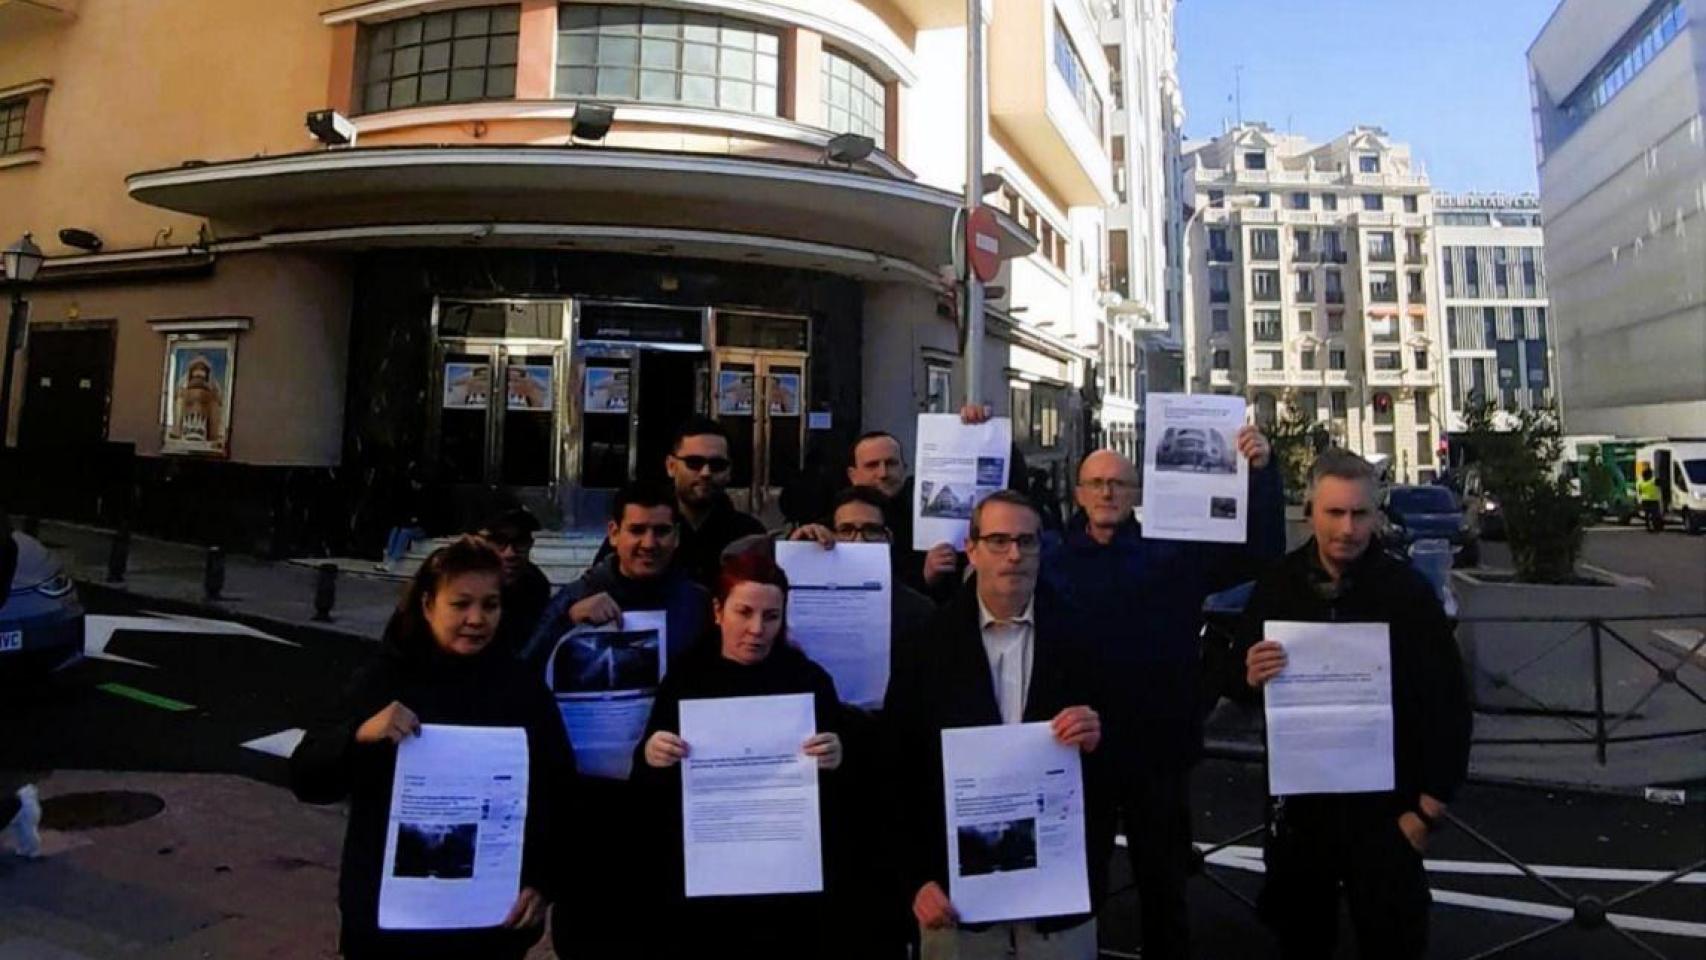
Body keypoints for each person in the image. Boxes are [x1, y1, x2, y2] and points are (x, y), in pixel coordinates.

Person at [1038, 432, 1283, 960]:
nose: (1107, 492)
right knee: (1077, 890)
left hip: (1158, 749)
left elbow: (1257, 553)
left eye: (1118, 483)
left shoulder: (1172, 554)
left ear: (1137, 493)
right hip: (1075, 751)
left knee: (1165, 888)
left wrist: (1262, 475)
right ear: (1078, 493)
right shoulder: (1047, 558)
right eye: (1096, 483)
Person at [289, 537, 577, 960]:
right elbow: (307, 777)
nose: (476, 619)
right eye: (460, 604)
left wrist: (543, 882)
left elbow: (559, 793)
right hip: (390, 927)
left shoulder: (521, 689)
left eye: (490, 605)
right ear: (428, 605)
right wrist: (359, 735)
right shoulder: (384, 679)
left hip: (489, 926)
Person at [1234, 449, 1472, 960]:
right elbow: (1232, 678)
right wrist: (1247, 674)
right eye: (1335, 512)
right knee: (1302, 943)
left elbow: (1448, 701)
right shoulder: (1278, 585)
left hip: (1388, 814)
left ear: (1376, 516)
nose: (1347, 528)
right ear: (1309, 513)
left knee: (1393, 943)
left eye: (1359, 513)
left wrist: (1427, 810)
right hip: (1301, 817)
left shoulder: (1406, 591)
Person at [886, 491, 1109, 960]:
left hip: (1057, 896)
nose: (1013, 554)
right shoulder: (925, 643)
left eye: (1026, 541)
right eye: (998, 540)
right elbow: (898, 769)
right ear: (971, 549)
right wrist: (914, 879)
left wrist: (1098, 734)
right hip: (958, 903)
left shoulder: (1086, 633)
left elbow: (1125, 755)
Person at [519, 481, 710, 959]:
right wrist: (568, 621)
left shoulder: (696, 601)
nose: (649, 543)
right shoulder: (578, 593)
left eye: (661, 531)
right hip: (591, 804)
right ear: (613, 532)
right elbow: (523, 674)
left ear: (677, 536)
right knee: (589, 931)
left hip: (669, 797)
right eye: (637, 530)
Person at [633, 549, 847, 959]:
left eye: (771, 616)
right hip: (704, 878)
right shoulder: (686, 678)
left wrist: (838, 756)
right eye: (744, 612)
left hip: (788, 881)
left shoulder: (808, 679)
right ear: (718, 612)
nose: (757, 629)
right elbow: (645, 787)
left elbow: (847, 791)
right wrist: (652, 755)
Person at [788, 485, 939, 958]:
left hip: (891, 772)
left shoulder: (919, 611)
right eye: (846, 530)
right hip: (821, 775)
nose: (857, 540)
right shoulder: (799, 595)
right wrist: (792, 551)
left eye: (870, 531)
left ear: (888, 538)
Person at [591, 416, 765, 589]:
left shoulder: (749, 535)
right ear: (671, 466)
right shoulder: (642, 528)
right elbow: (596, 586)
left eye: (717, 464)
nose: (706, 472)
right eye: (694, 463)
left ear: (729, 471)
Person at [478, 508, 552, 657]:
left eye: (520, 542)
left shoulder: (535, 585)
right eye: (498, 541)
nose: (510, 553)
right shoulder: (454, 582)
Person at [1637, 467, 1663, 533]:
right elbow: (1661, 483)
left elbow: (1640, 492)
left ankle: (1648, 527)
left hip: (1644, 500)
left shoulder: (1640, 482)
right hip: (1653, 500)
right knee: (1655, 514)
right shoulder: (1653, 481)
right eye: (1651, 473)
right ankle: (1656, 527)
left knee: (1647, 515)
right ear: (1649, 474)